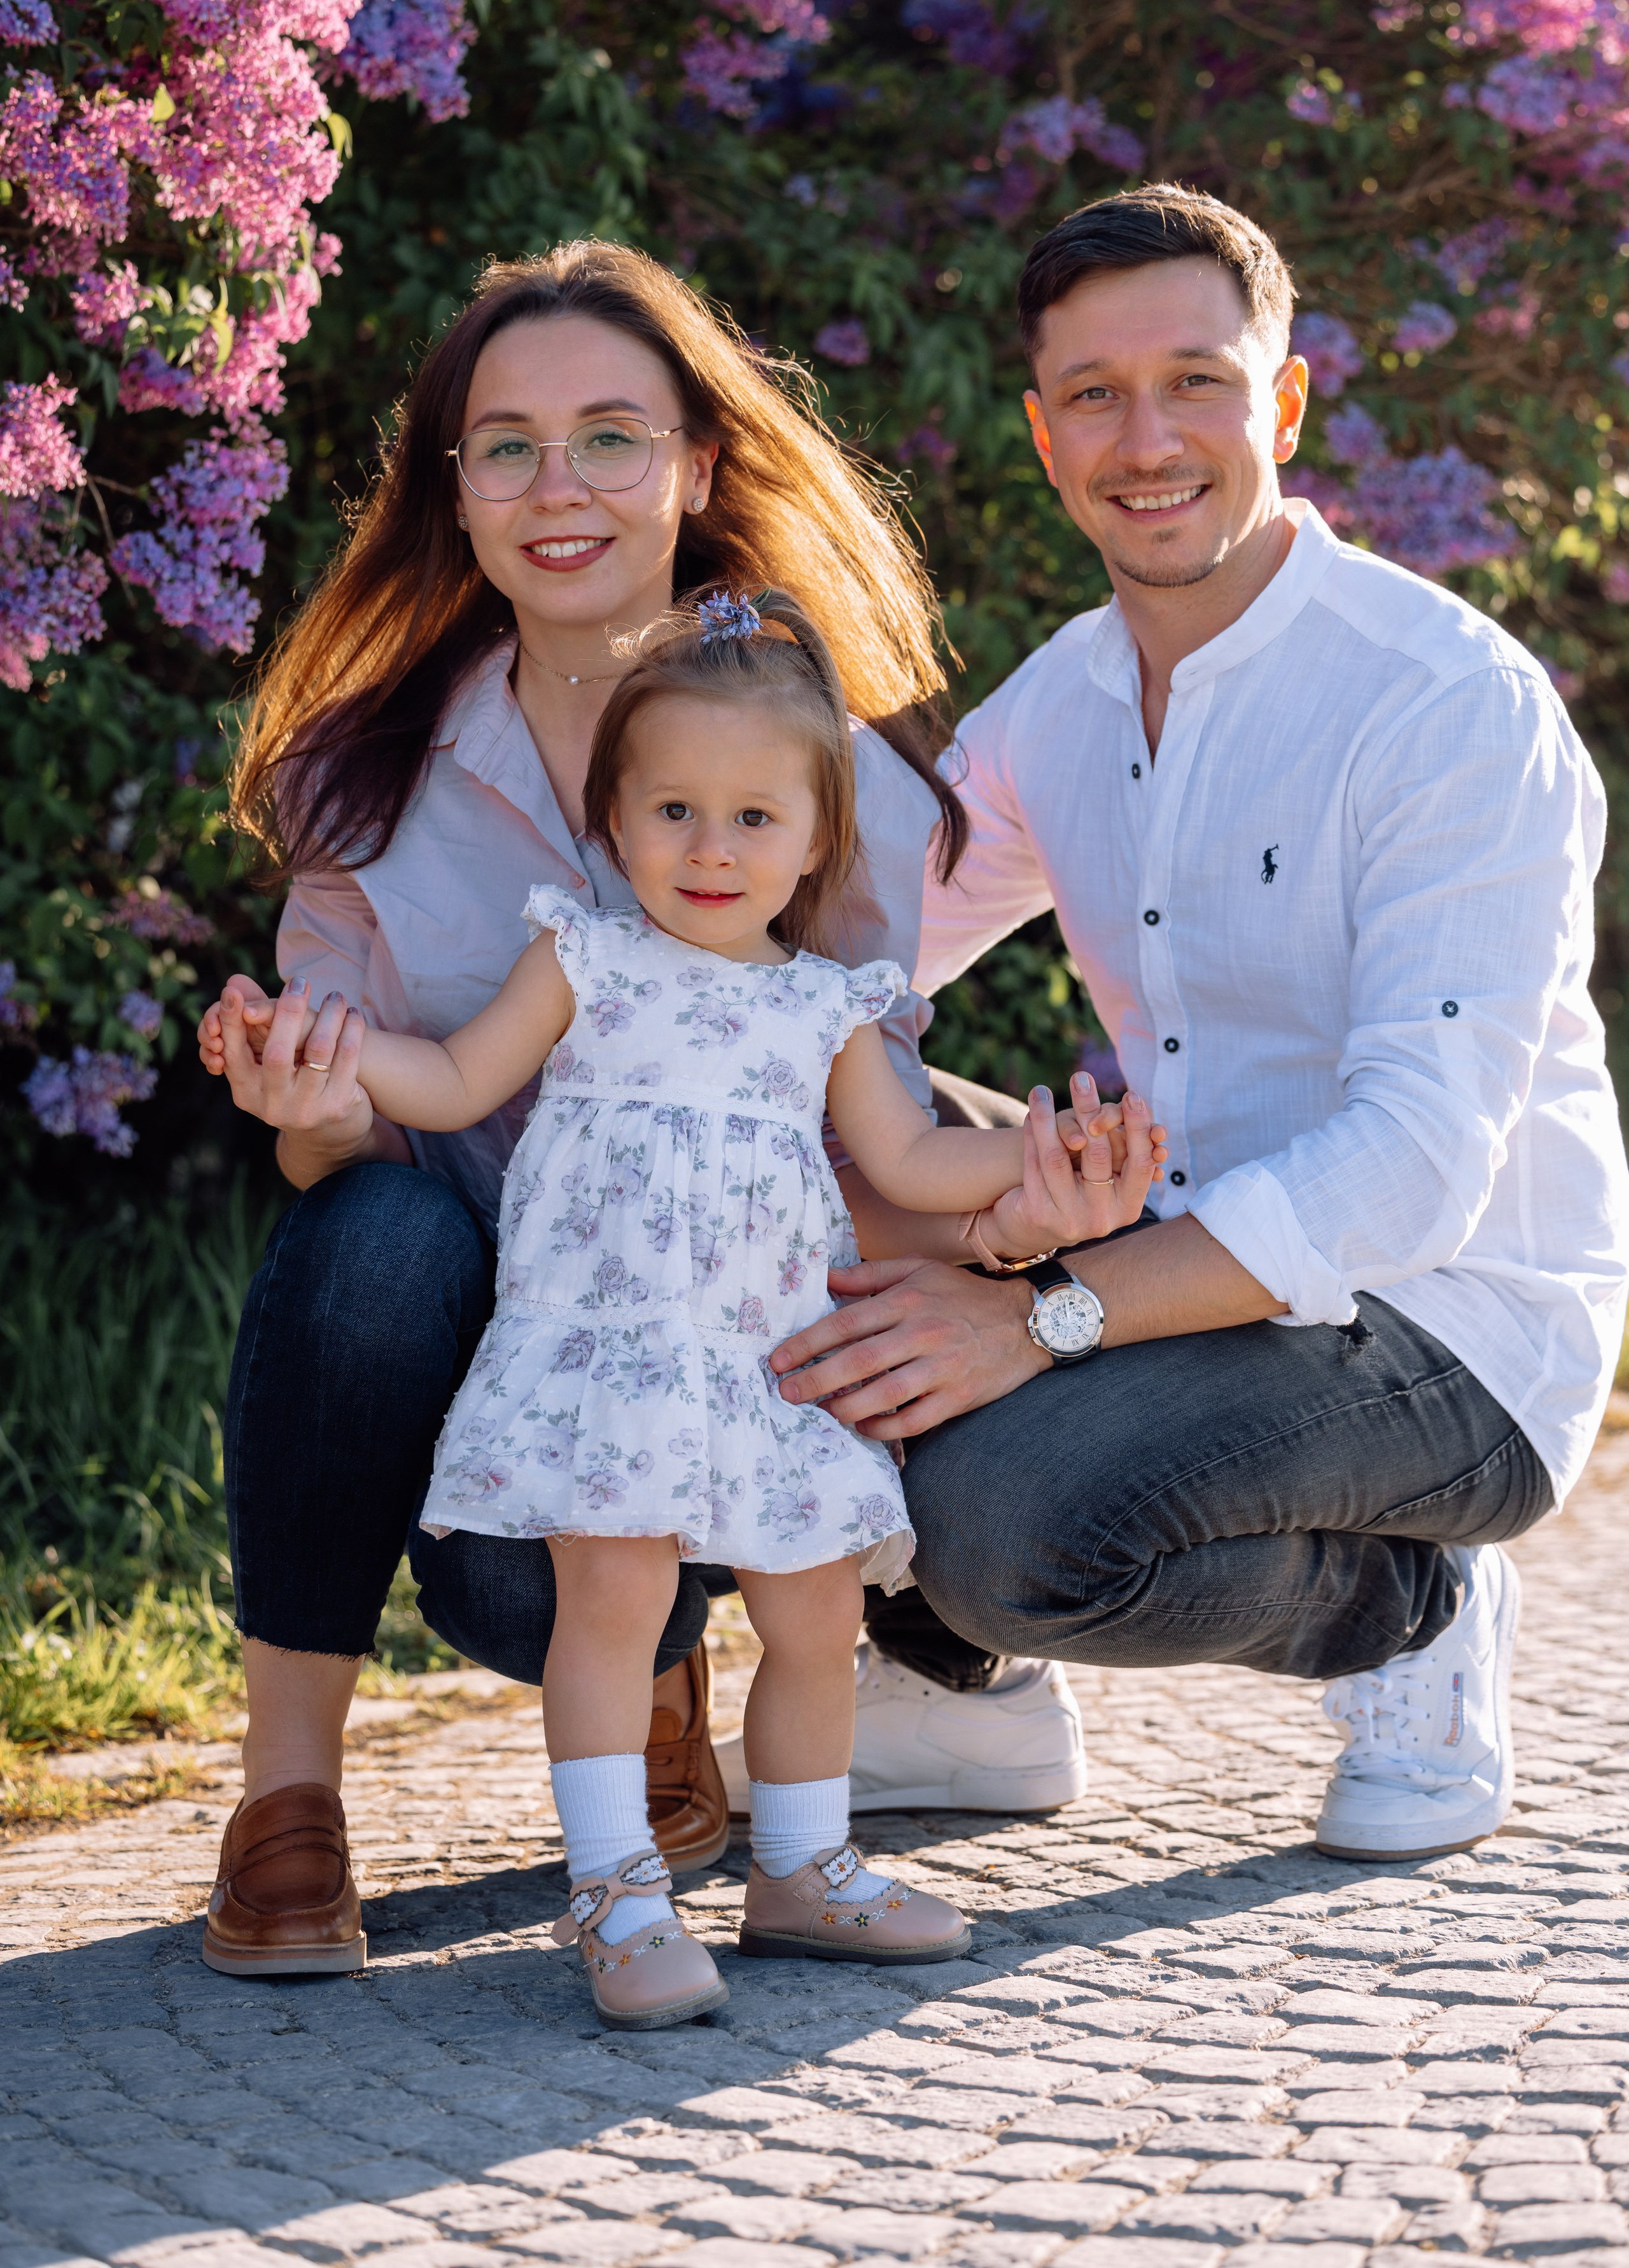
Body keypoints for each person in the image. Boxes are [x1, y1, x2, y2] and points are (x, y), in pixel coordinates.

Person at [198, 241, 1089, 1982]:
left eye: (612, 435)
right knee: (363, 1235)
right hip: (514, 1321)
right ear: (450, 491)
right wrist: (303, 1088)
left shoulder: (828, 770)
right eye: (506, 444)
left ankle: (722, 1712)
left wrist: (1017, 1253)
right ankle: (290, 1794)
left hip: (736, 1308)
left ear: (697, 462)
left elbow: (851, 1110)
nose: (560, 487)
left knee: (816, 1493)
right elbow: (345, 1138)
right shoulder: (361, 773)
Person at [766, 183, 1629, 1865]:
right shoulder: (1067, 702)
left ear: (1284, 403)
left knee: (1004, 1520)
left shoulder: (1447, 704)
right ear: (1043, 431)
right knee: (766, 1127)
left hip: (1455, 1327)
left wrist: (1039, 1314)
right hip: (1185, 1252)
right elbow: (845, 957)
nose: (1146, 437)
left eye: (1198, 382)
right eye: (1095, 393)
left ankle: (1412, 1612)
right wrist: (950, 1185)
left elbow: (1409, 1178)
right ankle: (958, 1689)